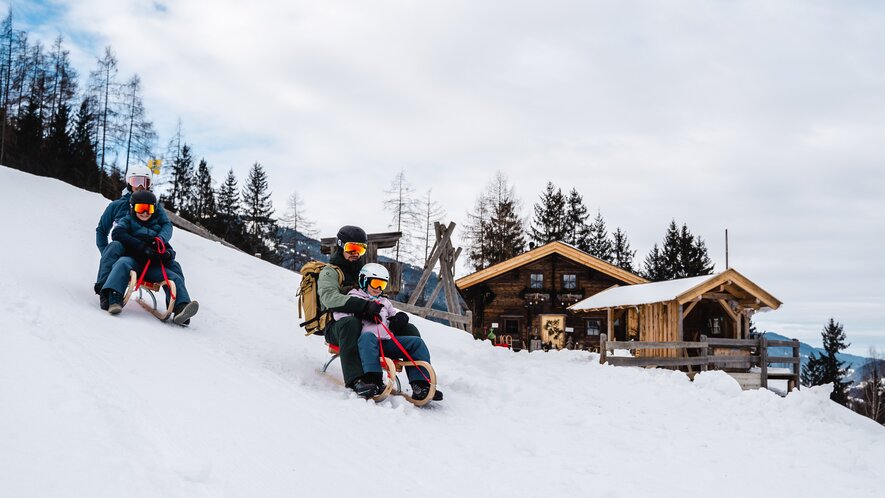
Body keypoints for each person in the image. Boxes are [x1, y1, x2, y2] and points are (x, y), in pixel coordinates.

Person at [317, 225, 422, 397]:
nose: (355, 252)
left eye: (361, 248)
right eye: (352, 247)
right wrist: (363, 306)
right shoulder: (330, 272)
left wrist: (396, 317)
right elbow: (329, 298)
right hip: (337, 326)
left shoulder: (363, 271)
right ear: (341, 245)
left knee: (408, 329)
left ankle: (420, 382)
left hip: (368, 327)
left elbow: (378, 296)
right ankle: (356, 379)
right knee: (351, 324)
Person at [333, 263, 442, 401]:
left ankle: (420, 385)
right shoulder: (353, 298)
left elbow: (392, 315)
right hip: (364, 345)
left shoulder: (384, 301)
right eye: (376, 283)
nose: (379, 289)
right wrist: (360, 314)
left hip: (385, 343)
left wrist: (400, 318)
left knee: (417, 343)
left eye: (382, 285)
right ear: (364, 281)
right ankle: (374, 380)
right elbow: (338, 315)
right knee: (368, 336)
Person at [100, 190, 199, 325]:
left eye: (149, 209)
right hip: (133, 260)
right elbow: (117, 233)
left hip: (152, 267)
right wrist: (141, 246)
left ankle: (181, 307)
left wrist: (166, 254)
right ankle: (114, 298)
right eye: (141, 208)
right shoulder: (128, 220)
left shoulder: (157, 228)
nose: (145, 212)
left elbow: (167, 248)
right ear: (133, 208)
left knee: (173, 277)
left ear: (154, 210)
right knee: (122, 263)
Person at [93, 164, 182, 310]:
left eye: (144, 182)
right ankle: (105, 288)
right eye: (136, 182)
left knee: (172, 263)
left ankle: (178, 303)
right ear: (129, 182)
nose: (140, 186)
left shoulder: (155, 206)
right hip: (123, 248)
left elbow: (167, 225)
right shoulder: (117, 206)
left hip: (146, 250)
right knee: (115, 246)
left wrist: (159, 240)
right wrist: (106, 256)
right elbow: (102, 231)